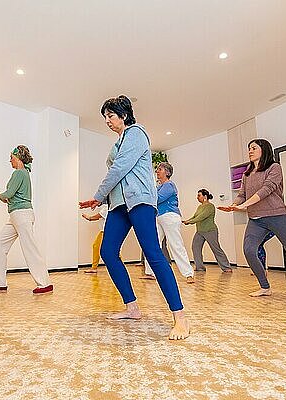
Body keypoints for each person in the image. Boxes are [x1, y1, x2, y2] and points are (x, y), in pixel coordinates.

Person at [79, 95, 189, 340]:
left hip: (139, 201)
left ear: (124, 115)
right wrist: (104, 201)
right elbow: (116, 171)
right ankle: (132, 307)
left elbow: (118, 169)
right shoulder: (119, 142)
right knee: (108, 252)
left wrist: (97, 196)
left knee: (152, 253)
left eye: (111, 115)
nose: (107, 121)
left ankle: (180, 317)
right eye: (105, 117)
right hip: (119, 204)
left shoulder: (137, 133)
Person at [218, 139, 286, 298]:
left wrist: (244, 205)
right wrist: (233, 205)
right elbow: (242, 195)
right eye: (249, 148)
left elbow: (267, 189)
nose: (250, 151)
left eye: (254, 148)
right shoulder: (246, 174)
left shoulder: (274, 168)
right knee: (249, 251)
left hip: (278, 217)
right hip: (256, 220)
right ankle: (265, 287)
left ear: (264, 150)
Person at [0, 145, 53, 294]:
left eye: (11, 158)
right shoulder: (23, 173)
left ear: (18, 158)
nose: (10, 161)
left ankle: (44, 283)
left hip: (21, 215)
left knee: (30, 248)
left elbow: (8, 194)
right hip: (16, 215)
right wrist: (2, 197)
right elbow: (10, 198)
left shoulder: (19, 173)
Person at [142, 162, 195, 283]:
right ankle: (150, 272)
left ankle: (188, 274)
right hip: (159, 217)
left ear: (167, 172)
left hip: (170, 216)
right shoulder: (158, 187)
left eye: (160, 169)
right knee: (153, 244)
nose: (157, 171)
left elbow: (157, 199)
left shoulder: (169, 185)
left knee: (175, 244)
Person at [182, 189, 233, 273]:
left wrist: (189, 222)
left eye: (199, 195)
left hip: (210, 231)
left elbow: (201, 217)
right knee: (195, 247)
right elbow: (195, 217)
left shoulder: (210, 206)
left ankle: (226, 267)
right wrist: (187, 220)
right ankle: (200, 267)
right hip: (200, 231)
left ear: (205, 196)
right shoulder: (200, 207)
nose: (197, 197)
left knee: (216, 249)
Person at [81, 204, 113, 274]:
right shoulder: (105, 206)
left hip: (106, 231)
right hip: (105, 231)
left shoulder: (107, 206)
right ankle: (94, 267)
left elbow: (98, 216)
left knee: (96, 246)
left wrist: (89, 217)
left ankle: (94, 268)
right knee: (113, 249)